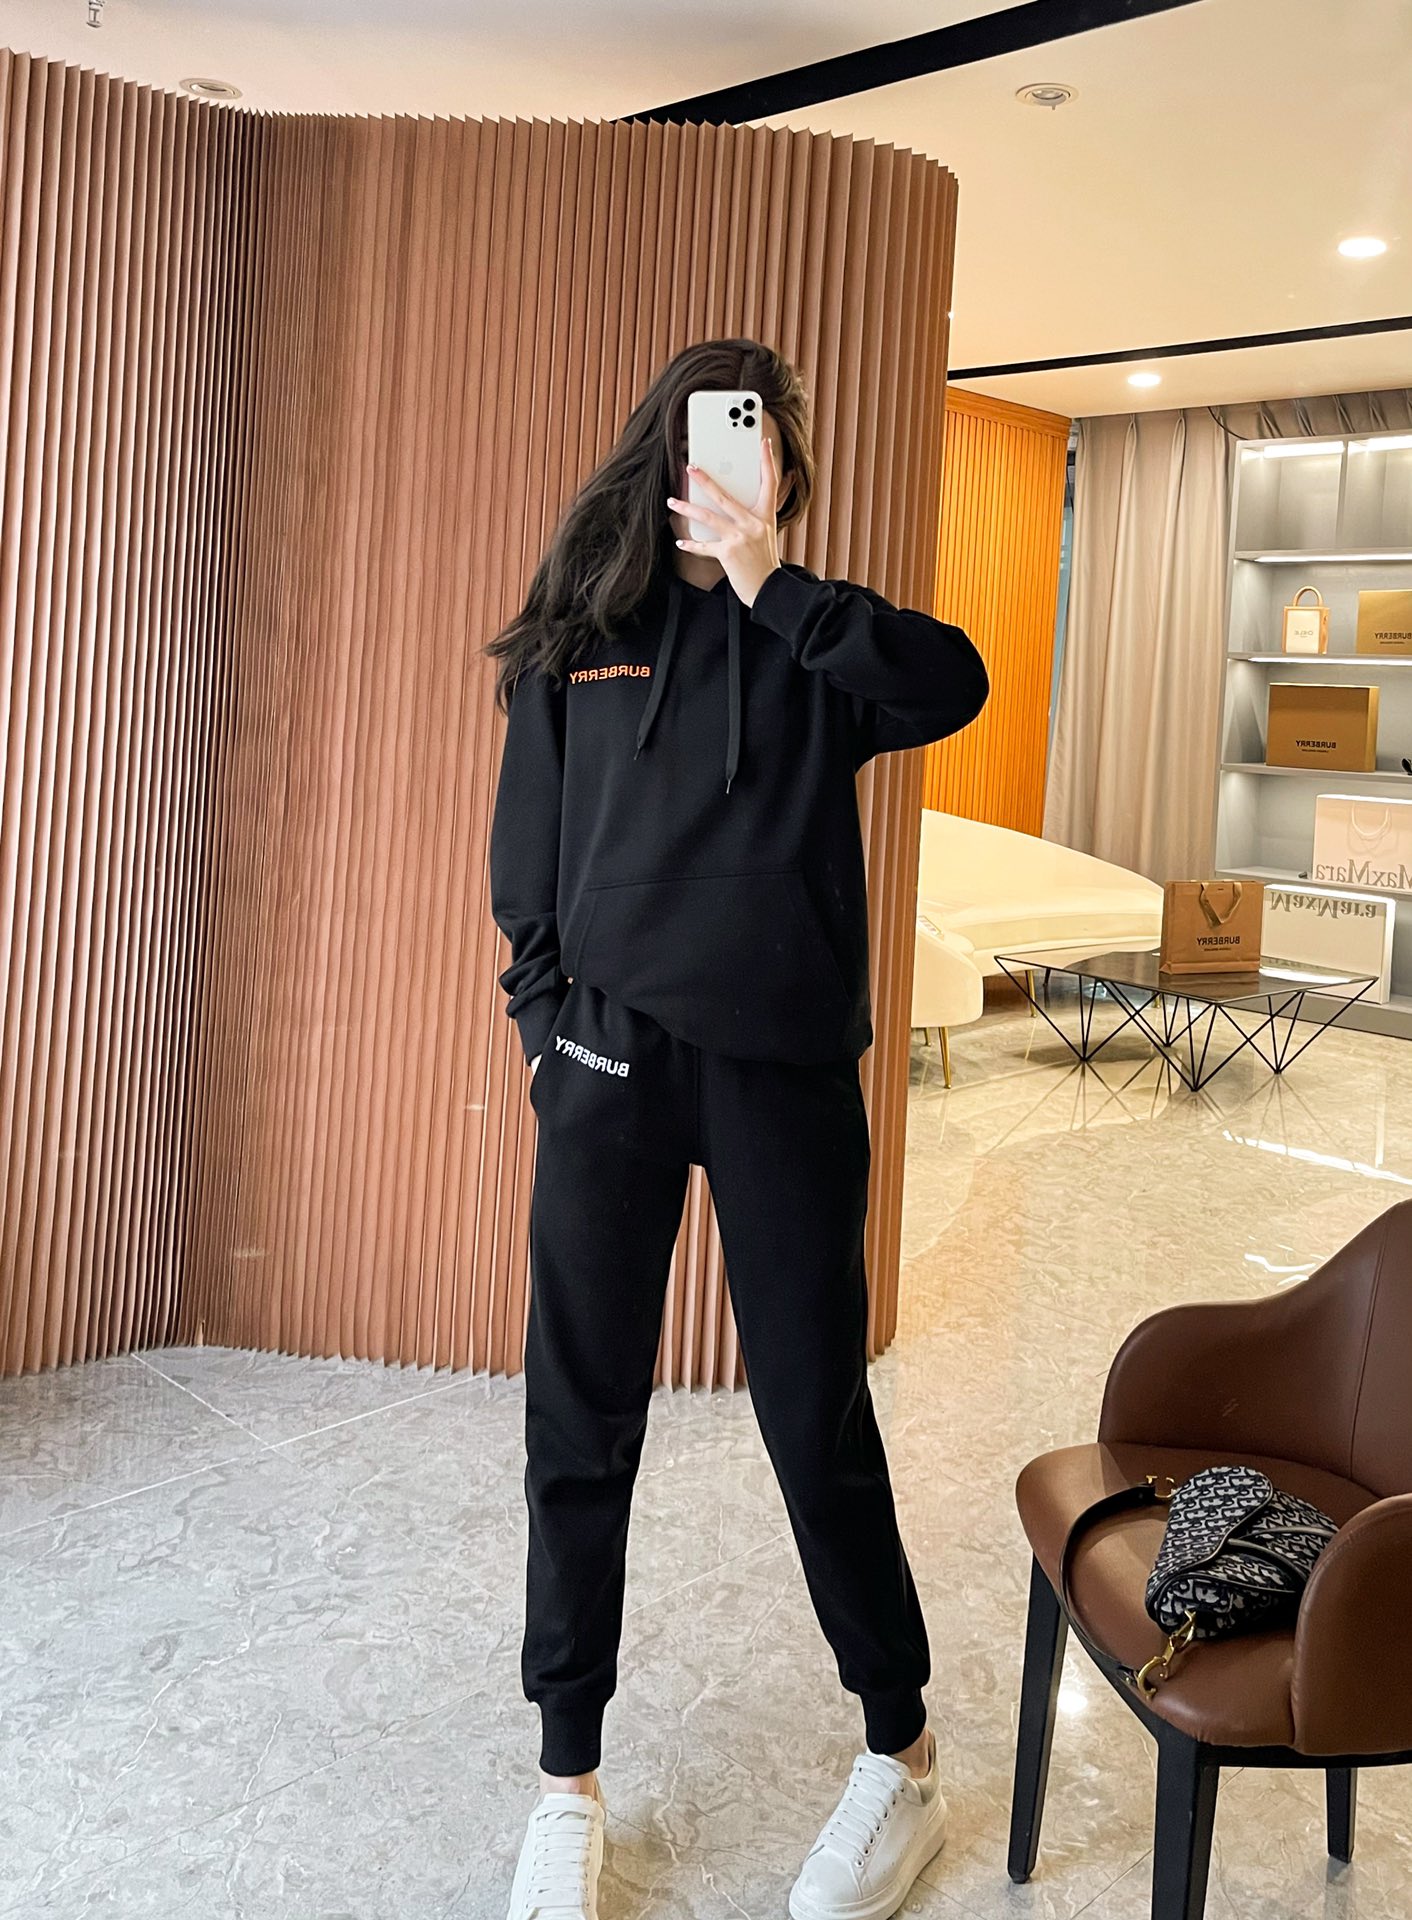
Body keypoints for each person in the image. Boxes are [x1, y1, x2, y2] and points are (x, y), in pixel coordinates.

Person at [487, 337, 989, 1920]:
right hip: (610, 1067)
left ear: (784, 462)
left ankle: (902, 1756)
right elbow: (524, 856)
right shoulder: (580, 635)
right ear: (663, 445)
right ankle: (565, 1784)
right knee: (580, 1420)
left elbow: (953, 682)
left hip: (783, 1077)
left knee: (814, 1417)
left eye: (760, 431)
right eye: (714, 426)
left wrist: (775, 582)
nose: (731, 450)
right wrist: (548, 1038)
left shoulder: (817, 634)